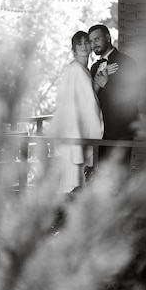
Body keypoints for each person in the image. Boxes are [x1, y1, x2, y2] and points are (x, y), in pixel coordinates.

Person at [50, 30, 108, 194]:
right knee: (74, 181)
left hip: (79, 130)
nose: (84, 46)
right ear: (73, 49)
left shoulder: (83, 70)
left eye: (86, 43)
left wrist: (97, 85)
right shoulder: (75, 70)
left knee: (78, 179)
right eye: (79, 44)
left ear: (90, 47)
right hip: (75, 130)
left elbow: (87, 99)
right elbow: (87, 103)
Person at [88, 24, 139, 168]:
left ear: (108, 37)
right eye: (91, 41)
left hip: (121, 131)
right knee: (100, 176)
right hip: (100, 131)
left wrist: (106, 84)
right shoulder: (94, 68)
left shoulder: (127, 62)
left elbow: (133, 96)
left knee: (119, 177)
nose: (94, 44)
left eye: (97, 39)